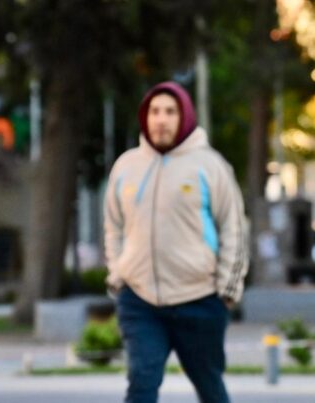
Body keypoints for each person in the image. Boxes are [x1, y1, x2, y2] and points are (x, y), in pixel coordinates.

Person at [104, 81, 248, 403]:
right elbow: (113, 226)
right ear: (146, 117)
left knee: (210, 387)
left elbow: (234, 228)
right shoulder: (126, 167)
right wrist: (118, 275)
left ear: (183, 117)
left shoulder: (210, 166)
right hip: (140, 299)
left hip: (198, 297)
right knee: (141, 381)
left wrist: (227, 290)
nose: (161, 119)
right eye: (155, 112)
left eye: (170, 111)